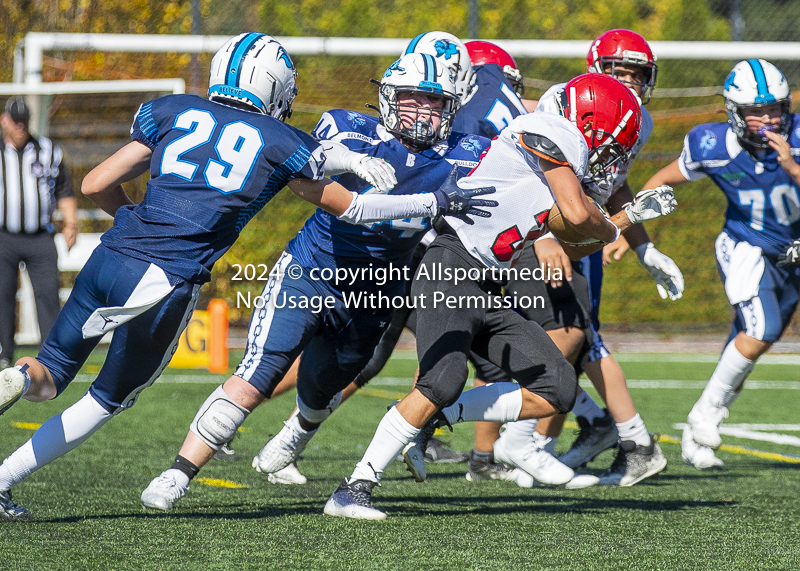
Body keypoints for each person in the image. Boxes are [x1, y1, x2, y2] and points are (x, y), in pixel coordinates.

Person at [0, 34, 486, 521]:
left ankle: (18, 377)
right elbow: (352, 203)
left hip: (111, 256)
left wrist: (131, 216)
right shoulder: (281, 141)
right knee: (105, 398)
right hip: (166, 279)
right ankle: (5, 480)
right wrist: (428, 200)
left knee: (47, 373)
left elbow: (93, 184)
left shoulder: (173, 111)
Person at [138, 52, 496, 511]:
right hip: (313, 270)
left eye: (434, 102)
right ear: (389, 98)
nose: (422, 112)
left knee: (326, 384)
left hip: (380, 289)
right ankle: (177, 472)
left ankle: (296, 432)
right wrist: (363, 165)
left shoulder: (468, 152)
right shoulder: (349, 128)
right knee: (258, 372)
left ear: (451, 107)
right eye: (412, 99)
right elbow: (316, 164)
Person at [324, 73, 678, 520]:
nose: (611, 159)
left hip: (488, 284)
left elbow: (574, 240)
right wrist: (614, 221)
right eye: (612, 144)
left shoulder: (554, 163)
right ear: (592, 125)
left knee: (558, 386)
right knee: (442, 380)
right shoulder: (553, 130)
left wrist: (624, 219)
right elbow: (577, 214)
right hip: (451, 268)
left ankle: (432, 419)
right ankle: (353, 488)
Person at [465, 29, 679, 487]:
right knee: (567, 335)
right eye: (620, 72)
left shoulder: (640, 121)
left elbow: (610, 180)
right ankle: (548, 443)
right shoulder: (562, 104)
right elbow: (539, 178)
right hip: (548, 231)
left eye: (638, 74)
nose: (632, 82)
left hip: (585, 232)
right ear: (596, 71)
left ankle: (543, 444)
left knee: (579, 337)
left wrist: (644, 246)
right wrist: (543, 237)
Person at [641, 59, 800, 469]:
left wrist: (791, 167)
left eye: (775, 109)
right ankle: (703, 417)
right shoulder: (713, 145)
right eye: (755, 111)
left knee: (748, 347)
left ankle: (697, 435)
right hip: (746, 247)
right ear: (734, 111)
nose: (767, 119)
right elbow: (661, 180)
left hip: (793, 254)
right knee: (759, 330)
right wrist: (631, 232)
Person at [0, 96, 78, 370]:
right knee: (3, 295)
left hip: (40, 237)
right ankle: (4, 353)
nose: (20, 126)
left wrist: (70, 223)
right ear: (4, 120)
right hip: (4, 237)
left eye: (24, 121)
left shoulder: (48, 151)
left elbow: (64, 191)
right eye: (15, 120)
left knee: (48, 294)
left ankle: (50, 355)